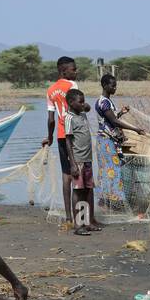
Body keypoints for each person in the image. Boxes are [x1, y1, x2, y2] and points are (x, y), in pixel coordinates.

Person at [94, 73, 145, 209]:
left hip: (108, 141)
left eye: (116, 85)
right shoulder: (104, 102)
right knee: (112, 169)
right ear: (105, 86)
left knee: (109, 169)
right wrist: (135, 129)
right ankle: (112, 201)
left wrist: (121, 112)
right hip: (106, 141)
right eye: (113, 85)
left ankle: (107, 201)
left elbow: (111, 118)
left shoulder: (106, 101)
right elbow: (114, 121)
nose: (115, 88)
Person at [44, 56, 81, 224]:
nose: (76, 72)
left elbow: (51, 119)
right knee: (78, 173)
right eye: (73, 69)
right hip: (74, 134)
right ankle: (81, 215)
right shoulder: (72, 86)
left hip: (60, 135)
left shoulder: (51, 90)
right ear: (63, 71)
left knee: (66, 174)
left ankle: (68, 216)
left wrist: (49, 137)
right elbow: (79, 109)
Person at [63, 88, 100, 233]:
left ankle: (88, 221)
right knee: (78, 192)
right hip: (77, 160)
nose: (83, 104)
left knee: (88, 190)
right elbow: (68, 141)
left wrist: (84, 104)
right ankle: (78, 225)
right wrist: (72, 164)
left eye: (83, 101)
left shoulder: (82, 114)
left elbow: (89, 108)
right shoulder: (69, 118)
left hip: (87, 160)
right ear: (71, 103)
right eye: (80, 101)